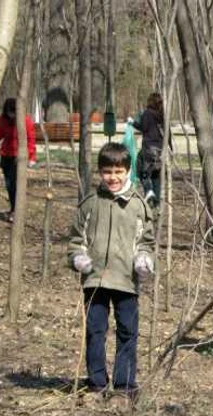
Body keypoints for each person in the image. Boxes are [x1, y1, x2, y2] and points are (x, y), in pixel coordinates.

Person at [67, 142, 155, 396]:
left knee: (127, 331)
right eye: (107, 172)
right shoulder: (90, 204)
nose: (112, 177)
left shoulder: (139, 206)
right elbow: (75, 240)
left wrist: (144, 260)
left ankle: (124, 383)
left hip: (127, 280)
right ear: (100, 172)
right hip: (95, 280)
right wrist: (78, 258)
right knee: (95, 330)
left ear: (128, 171)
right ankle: (96, 381)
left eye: (118, 171)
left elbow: (146, 242)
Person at [0, 98, 37, 222]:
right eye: (8, 112)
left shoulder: (26, 121)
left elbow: (31, 139)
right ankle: (13, 208)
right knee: (9, 184)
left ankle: (16, 211)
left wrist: (32, 156)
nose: (11, 115)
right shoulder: (3, 119)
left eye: (13, 112)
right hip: (6, 155)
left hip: (18, 157)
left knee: (15, 185)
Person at [138, 92, 165, 208]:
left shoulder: (147, 113)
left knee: (143, 172)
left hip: (149, 148)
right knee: (155, 175)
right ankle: (157, 202)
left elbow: (143, 128)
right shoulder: (162, 115)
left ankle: (149, 191)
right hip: (160, 149)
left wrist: (133, 122)